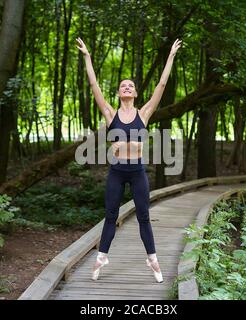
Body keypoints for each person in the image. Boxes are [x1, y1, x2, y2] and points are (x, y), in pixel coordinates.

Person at [76, 37, 182, 282]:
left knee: (144, 216)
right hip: (116, 172)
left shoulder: (143, 114)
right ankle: (102, 255)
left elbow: (162, 84)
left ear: (135, 93)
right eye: (123, 85)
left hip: (137, 173)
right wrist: (87, 57)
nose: (126, 87)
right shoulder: (110, 113)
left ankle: (152, 258)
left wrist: (171, 56)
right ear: (118, 92)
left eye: (130, 86)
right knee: (111, 215)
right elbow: (94, 85)